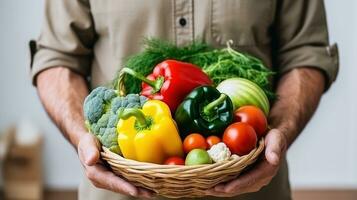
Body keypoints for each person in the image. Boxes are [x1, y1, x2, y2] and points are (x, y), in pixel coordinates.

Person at [30, 0, 339, 200]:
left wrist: (280, 129)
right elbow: (58, 59)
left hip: (252, 185)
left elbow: (306, 53)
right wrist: (83, 138)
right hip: (118, 190)